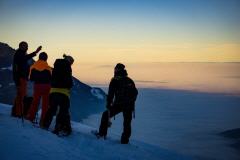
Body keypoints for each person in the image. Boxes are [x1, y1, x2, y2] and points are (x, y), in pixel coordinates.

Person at [95, 63, 138, 144]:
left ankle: (102, 134)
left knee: (105, 115)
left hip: (119, 104)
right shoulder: (129, 80)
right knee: (127, 123)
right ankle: (125, 141)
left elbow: (111, 94)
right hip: (129, 105)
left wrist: (108, 104)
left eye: (115, 69)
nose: (114, 70)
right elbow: (135, 93)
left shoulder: (115, 80)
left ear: (117, 70)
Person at [42, 54, 74, 136]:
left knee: (51, 109)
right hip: (64, 93)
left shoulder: (56, 65)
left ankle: (45, 125)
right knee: (63, 111)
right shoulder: (67, 67)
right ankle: (58, 128)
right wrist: (70, 85)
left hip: (53, 91)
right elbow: (68, 81)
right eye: (72, 62)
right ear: (69, 61)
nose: (71, 64)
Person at [12, 41, 42, 118]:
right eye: (25, 46)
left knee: (21, 96)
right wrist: (36, 52)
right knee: (21, 96)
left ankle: (16, 112)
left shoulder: (21, 54)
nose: (27, 47)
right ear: (21, 46)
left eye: (27, 46)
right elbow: (16, 68)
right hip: (21, 78)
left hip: (23, 78)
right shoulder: (19, 54)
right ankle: (17, 113)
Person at [26, 52, 52, 127]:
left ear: (39, 57)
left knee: (35, 102)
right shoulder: (48, 68)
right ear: (46, 58)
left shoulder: (33, 67)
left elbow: (31, 78)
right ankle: (43, 122)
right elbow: (50, 78)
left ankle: (31, 118)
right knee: (45, 105)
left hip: (37, 86)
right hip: (47, 86)